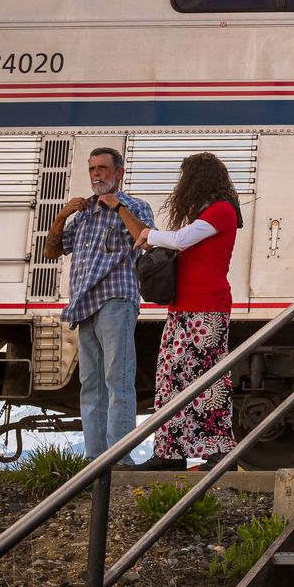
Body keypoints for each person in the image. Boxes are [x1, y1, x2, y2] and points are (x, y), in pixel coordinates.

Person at [123, 152, 240, 469]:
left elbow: (181, 240)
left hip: (207, 306)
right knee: (170, 376)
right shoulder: (208, 213)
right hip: (184, 305)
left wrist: (150, 234)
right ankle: (170, 453)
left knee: (208, 380)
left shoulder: (222, 211)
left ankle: (219, 451)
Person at [45, 146, 154, 462]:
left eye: (103, 168)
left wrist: (118, 207)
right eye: (92, 169)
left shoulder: (135, 206)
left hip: (117, 299)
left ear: (119, 173)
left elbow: (147, 241)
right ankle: (96, 459)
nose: (96, 175)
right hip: (84, 303)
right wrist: (62, 215)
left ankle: (119, 458)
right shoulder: (84, 214)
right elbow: (52, 252)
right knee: (90, 384)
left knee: (117, 379)